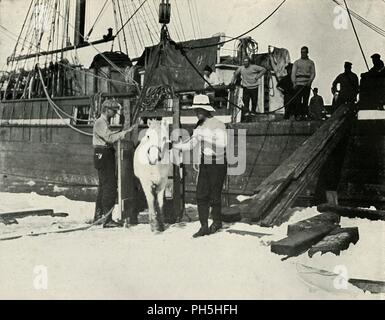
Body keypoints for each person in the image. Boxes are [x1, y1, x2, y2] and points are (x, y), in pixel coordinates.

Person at [173, 94, 227, 238]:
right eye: (196, 110)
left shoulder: (218, 124)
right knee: (201, 194)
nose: (197, 113)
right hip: (205, 162)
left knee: (215, 195)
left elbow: (223, 144)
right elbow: (192, 143)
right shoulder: (199, 125)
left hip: (218, 162)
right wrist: (177, 146)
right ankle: (203, 226)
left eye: (199, 110)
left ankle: (216, 222)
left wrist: (205, 137)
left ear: (206, 110)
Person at [93, 99, 136, 228]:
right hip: (104, 154)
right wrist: (125, 133)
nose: (115, 113)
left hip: (102, 154)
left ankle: (99, 216)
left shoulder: (103, 123)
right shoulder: (100, 122)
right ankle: (107, 219)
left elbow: (109, 135)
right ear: (106, 110)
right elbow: (109, 138)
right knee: (109, 187)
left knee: (103, 186)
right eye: (113, 111)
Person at [291, 46, 316, 120]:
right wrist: (294, 83)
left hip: (306, 84)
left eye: (304, 52)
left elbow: (313, 73)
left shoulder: (311, 63)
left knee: (305, 100)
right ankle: (297, 115)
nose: (303, 54)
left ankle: (304, 115)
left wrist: (310, 81)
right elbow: (293, 73)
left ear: (307, 53)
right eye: (302, 52)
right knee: (298, 100)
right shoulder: (297, 62)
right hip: (298, 84)